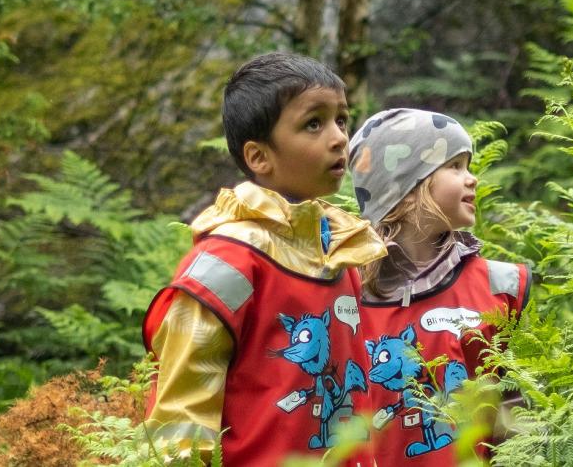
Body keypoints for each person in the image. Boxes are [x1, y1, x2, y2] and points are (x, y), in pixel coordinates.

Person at [141, 52, 386, 465]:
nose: (339, 137)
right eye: (314, 123)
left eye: (341, 120)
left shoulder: (340, 250)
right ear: (259, 157)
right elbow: (181, 421)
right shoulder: (227, 262)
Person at [348, 108, 531, 464]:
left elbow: (515, 415)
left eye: (469, 165)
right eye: (455, 166)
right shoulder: (344, 291)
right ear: (405, 185)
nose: (472, 179)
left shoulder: (498, 286)